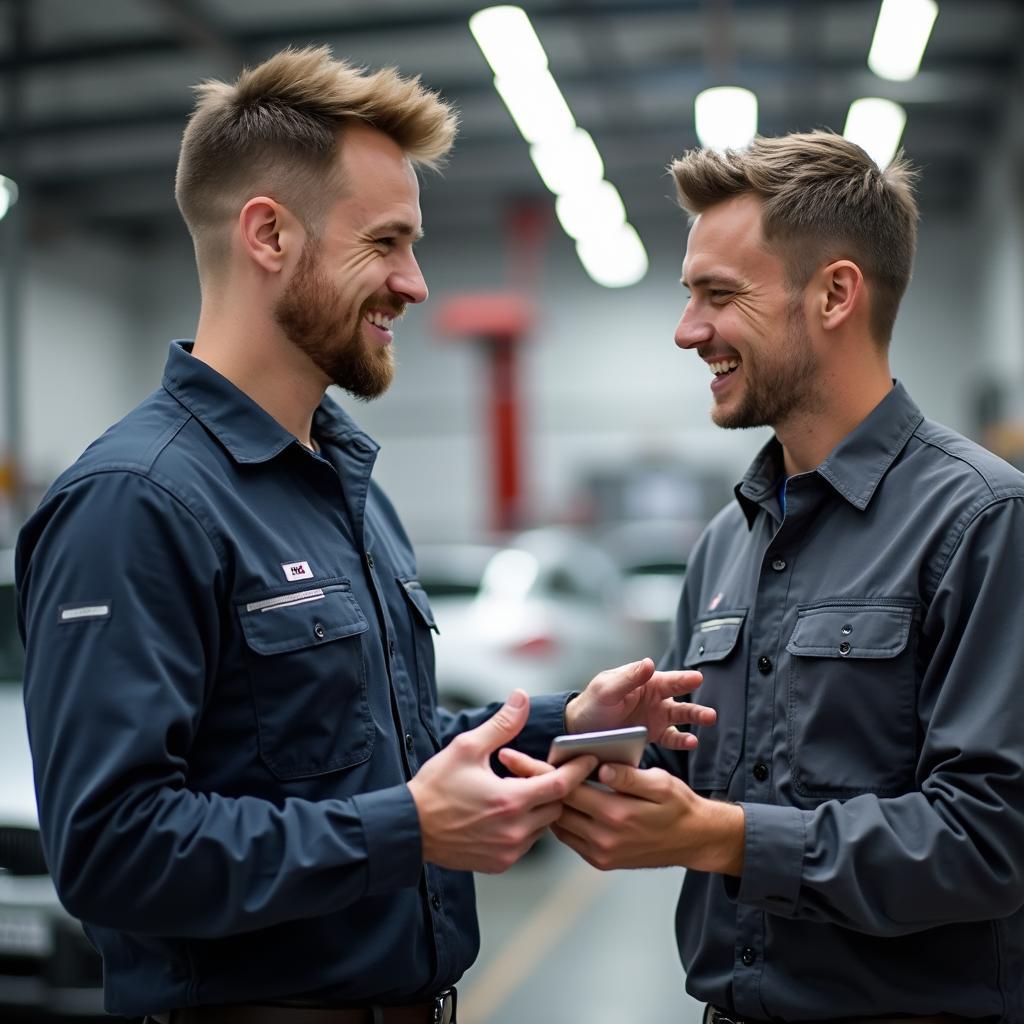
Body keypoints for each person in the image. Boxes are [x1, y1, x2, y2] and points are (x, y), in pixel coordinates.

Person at [14, 47, 715, 1024]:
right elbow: (114, 849)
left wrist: (563, 720)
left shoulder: (343, 480)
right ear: (268, 234)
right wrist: (407, 829)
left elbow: (374, 745)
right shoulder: (136, 501)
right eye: (385, 242)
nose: (414, 283)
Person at [505, 131, 1024, 1021]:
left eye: (719, 295)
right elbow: (715, 769)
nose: (687, 330)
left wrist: (724, 837)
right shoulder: (725, 542)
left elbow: (992, 837)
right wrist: (606, 761)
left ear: (835, 294)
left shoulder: (982, 521)